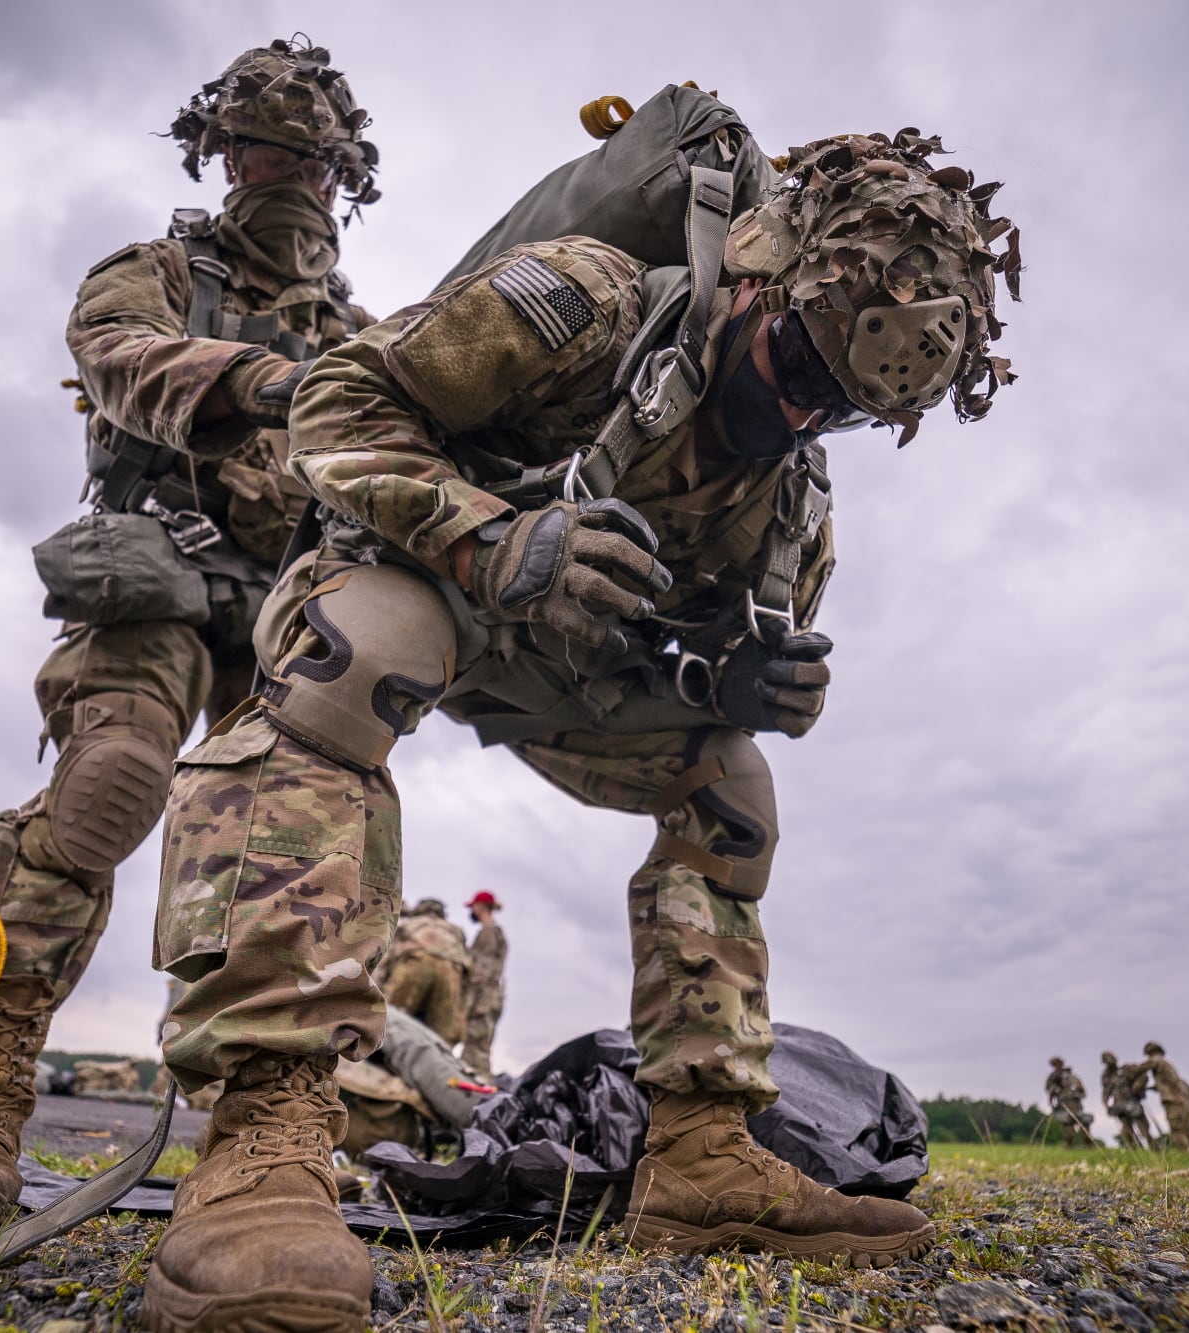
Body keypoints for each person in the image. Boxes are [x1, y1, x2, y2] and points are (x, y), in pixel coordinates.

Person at [143, 127, 1019, 1329]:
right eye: (796, 364)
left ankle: (700, 1153)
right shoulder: (583, 306)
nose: (802, 409)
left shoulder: (794, 500)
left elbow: (710, 656)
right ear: (757, 272)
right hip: (419, 575)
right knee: (361, 658)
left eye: (838, 407)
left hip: (562, 669)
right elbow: (343, 399)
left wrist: (743, 685)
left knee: (730, 788)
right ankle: (263, 1135)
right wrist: (490, 538)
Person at [0, 37, 379, 1227]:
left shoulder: (364, 327)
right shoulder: (159, 270)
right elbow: (112, 356)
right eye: (266, 151)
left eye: (311, 163)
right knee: (105, 790)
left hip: (284, 600)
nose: (288, 181)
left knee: (292, 835)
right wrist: (260, 382)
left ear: (339, 177)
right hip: (155, 571)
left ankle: (259, 1128)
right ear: (223, 156)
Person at [373, 898, 470, 1044]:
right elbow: (467, 973)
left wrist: (375, 994)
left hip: (415, 963)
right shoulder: (455, 931)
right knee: (441, 1038)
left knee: (388, 1022)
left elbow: (386, 959)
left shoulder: (410, 925)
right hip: (451, 972)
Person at [460, 890, 508, 1077]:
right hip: (490, 998)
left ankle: (479, 1094)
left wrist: (466, 1002)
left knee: (475, 1052)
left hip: (483, 999)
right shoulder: (496, 932)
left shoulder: (488, 933)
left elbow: (479, 972)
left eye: (473, 907)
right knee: (478, 1047)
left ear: (480, 907)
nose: (471, 911)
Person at [1140, 1042, 1189, 1152]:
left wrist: (1130, 1070)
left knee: (1177, 1129)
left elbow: (1142, 1068)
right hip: (1185, 1103)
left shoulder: (1157, 1061)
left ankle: (1186, 1153)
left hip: (1174, 1102)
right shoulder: (1170, 1068)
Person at [1101, 1051, 1156, 1149]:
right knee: (1127, 1128)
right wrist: (1105, 1103)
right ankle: (1133, 1148)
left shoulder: (1127, 1069)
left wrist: (1137, 1089)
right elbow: (1106, 1091)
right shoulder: (1107, 1076)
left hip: (1132, 1102)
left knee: (1143, 1127)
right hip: (1119, 1105)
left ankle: (1153, 1148)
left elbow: (1143, 1075)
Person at [1045, 1057, 1098, 1148]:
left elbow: (1083, 1093)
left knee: (1085, 1131)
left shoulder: (1074, 1078)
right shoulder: (1053, 1078)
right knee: (1068, 1134)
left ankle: (1090, 1147)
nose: (1057, 1067)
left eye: (1058, 1064)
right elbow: (1049, 1090)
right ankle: (1068, 1148)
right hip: (1064, 1107)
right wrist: (1056, 1088)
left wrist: (1076, 1092)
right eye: (1055, 1065)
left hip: (1077, 1106)